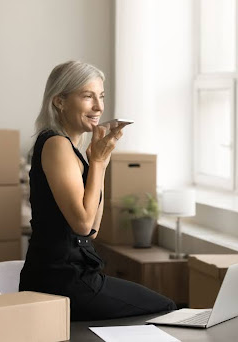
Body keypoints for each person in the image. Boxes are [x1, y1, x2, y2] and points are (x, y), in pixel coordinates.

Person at [19, 61, 177, 321]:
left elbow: (92, 229)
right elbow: (82, 225)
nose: (99, 107)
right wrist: (99, 162)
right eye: (87, 96)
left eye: (101, 96)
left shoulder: (71, 149)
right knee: (166, 308)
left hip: (73, 276)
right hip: (61, 281)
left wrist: (98, 164)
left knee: (157, 306)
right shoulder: (56, 144)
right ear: (59, 101)